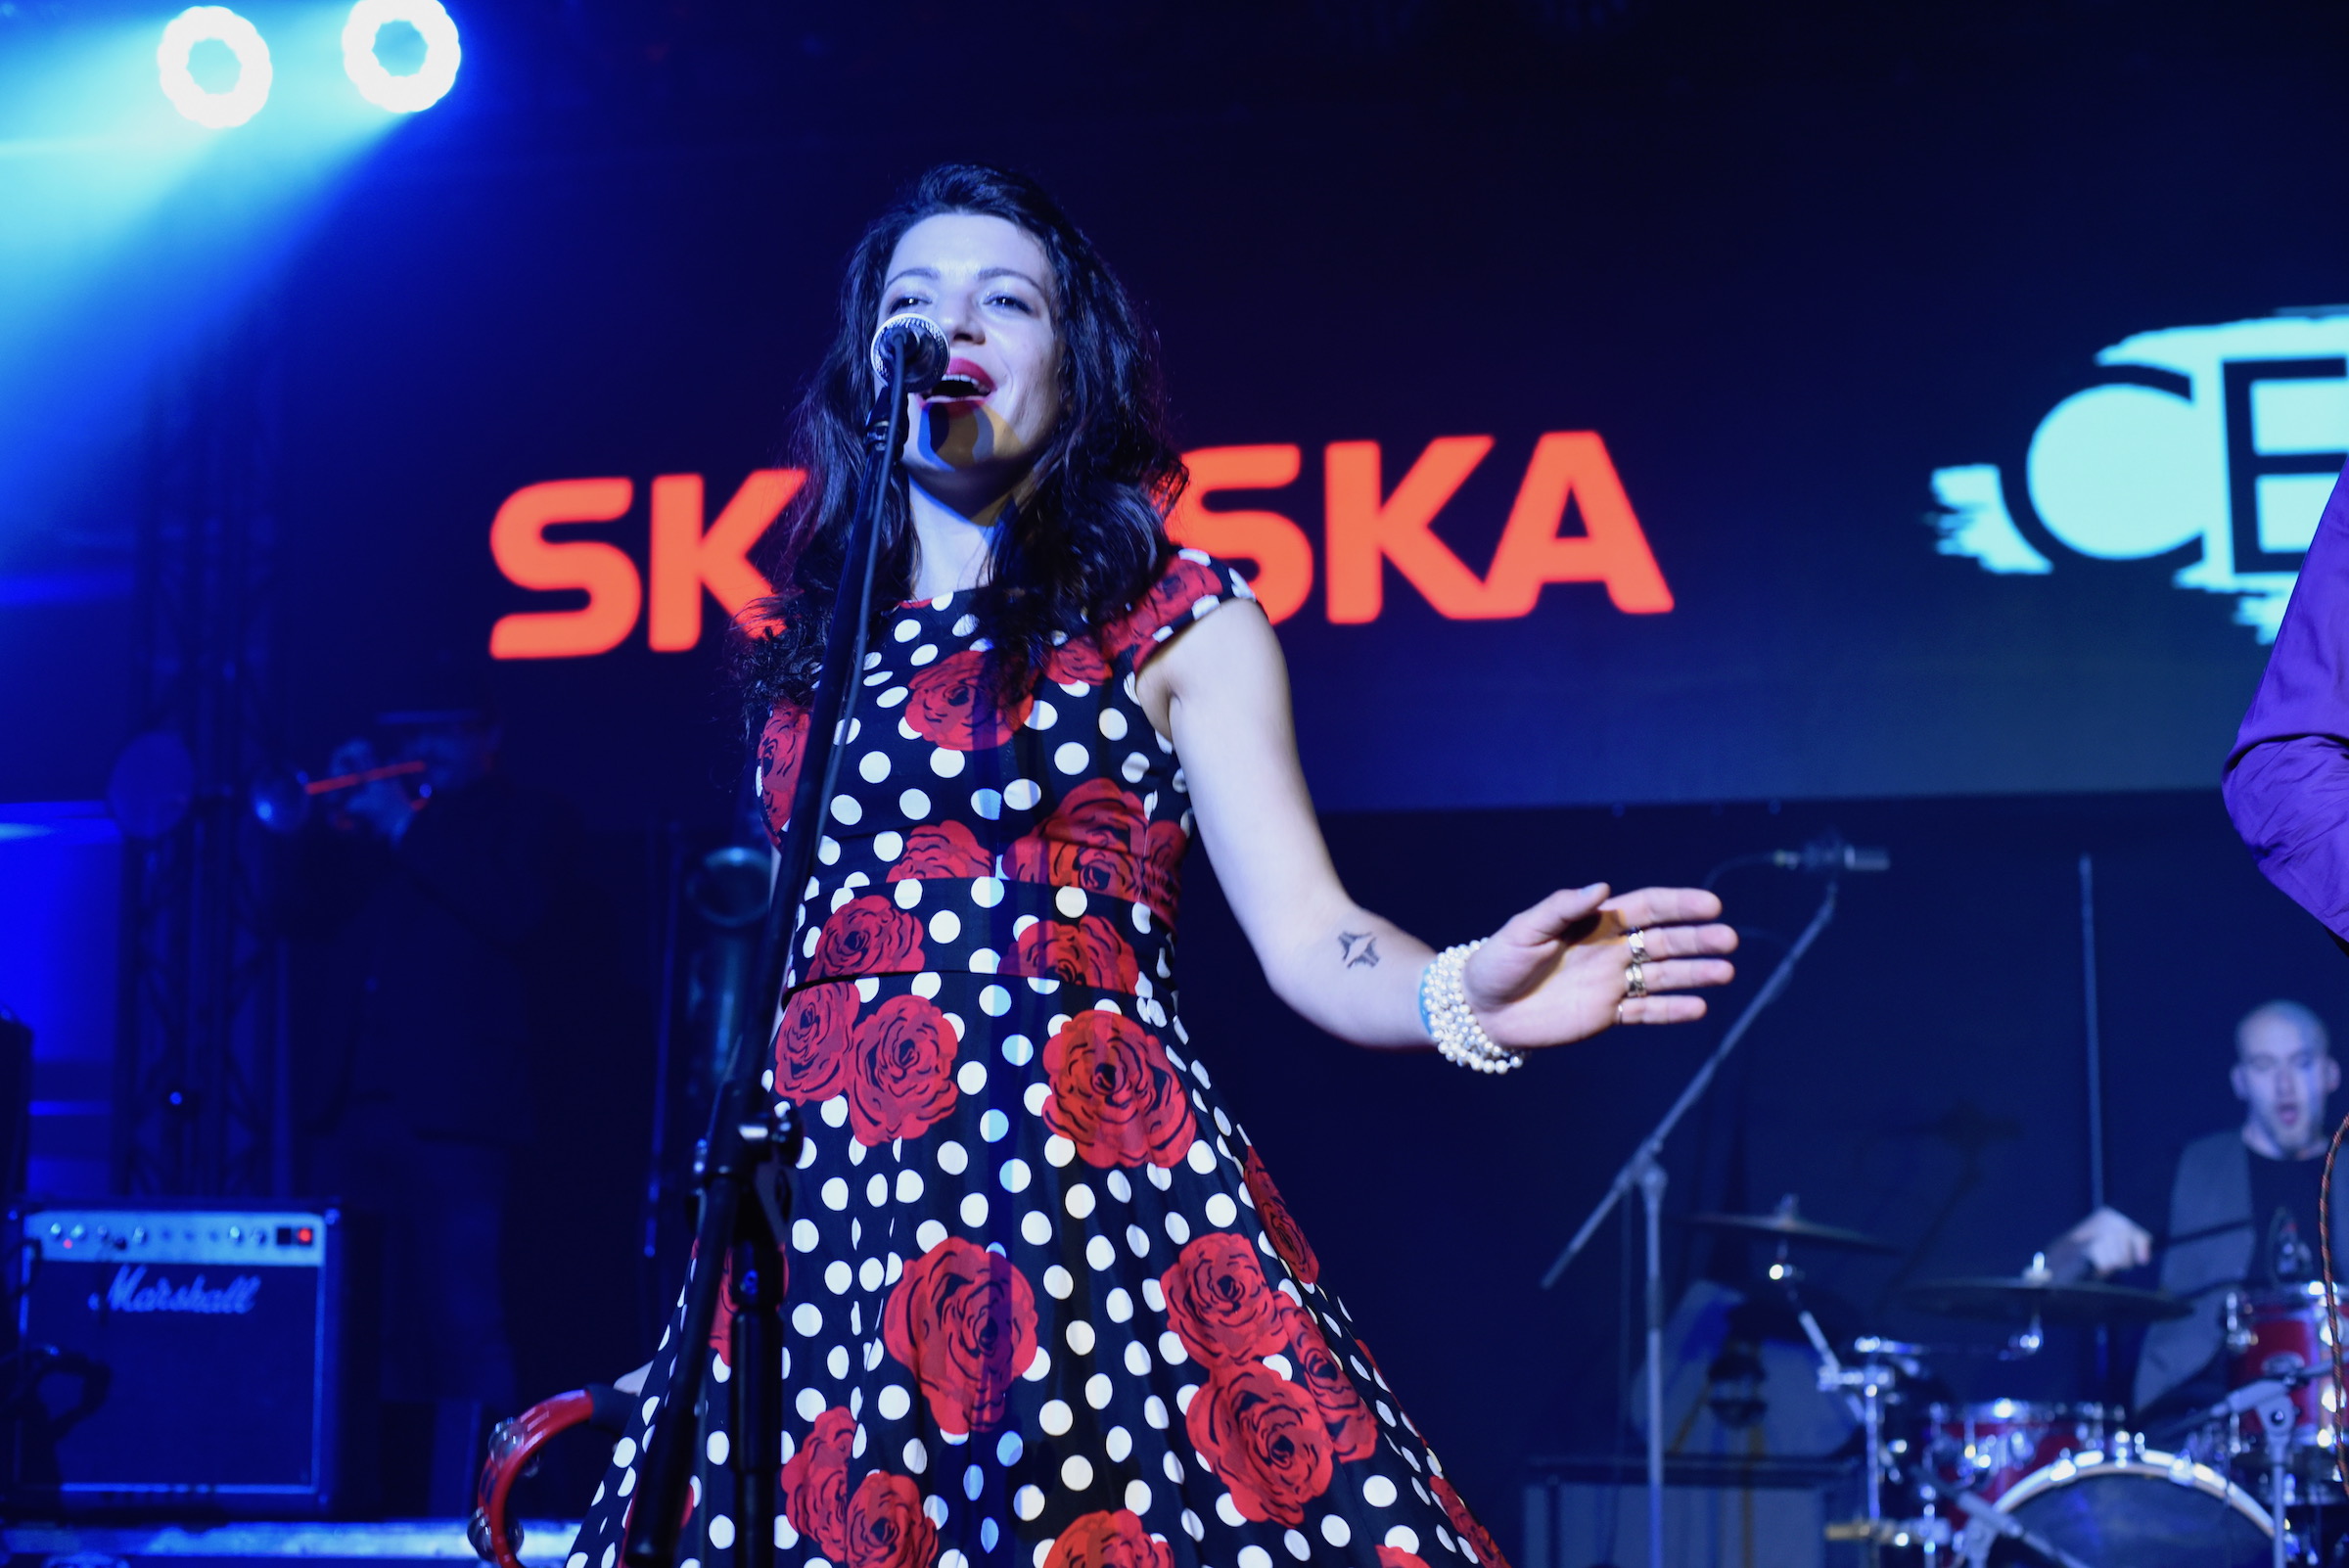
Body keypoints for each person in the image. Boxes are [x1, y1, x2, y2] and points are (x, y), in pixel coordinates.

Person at [566, 164, 1737, 1568]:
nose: (951, 327)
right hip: (833, 1218)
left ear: (1078, 366)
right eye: (912, 302)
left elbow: (1310, 933)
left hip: (1078, 1186)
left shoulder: (1173, 616)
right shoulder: (803, 656)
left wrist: (1463, 992)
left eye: (1006, 302)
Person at [2047, 1001, 2346, 1416]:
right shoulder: (2190, 1168)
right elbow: (2055, 1266)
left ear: (2331, 1074)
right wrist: (2086, 1254)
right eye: (2264, 1066)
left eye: (2302, 1063)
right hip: (2199, 1419)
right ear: (2240, 1081)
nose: (2284, 1085)